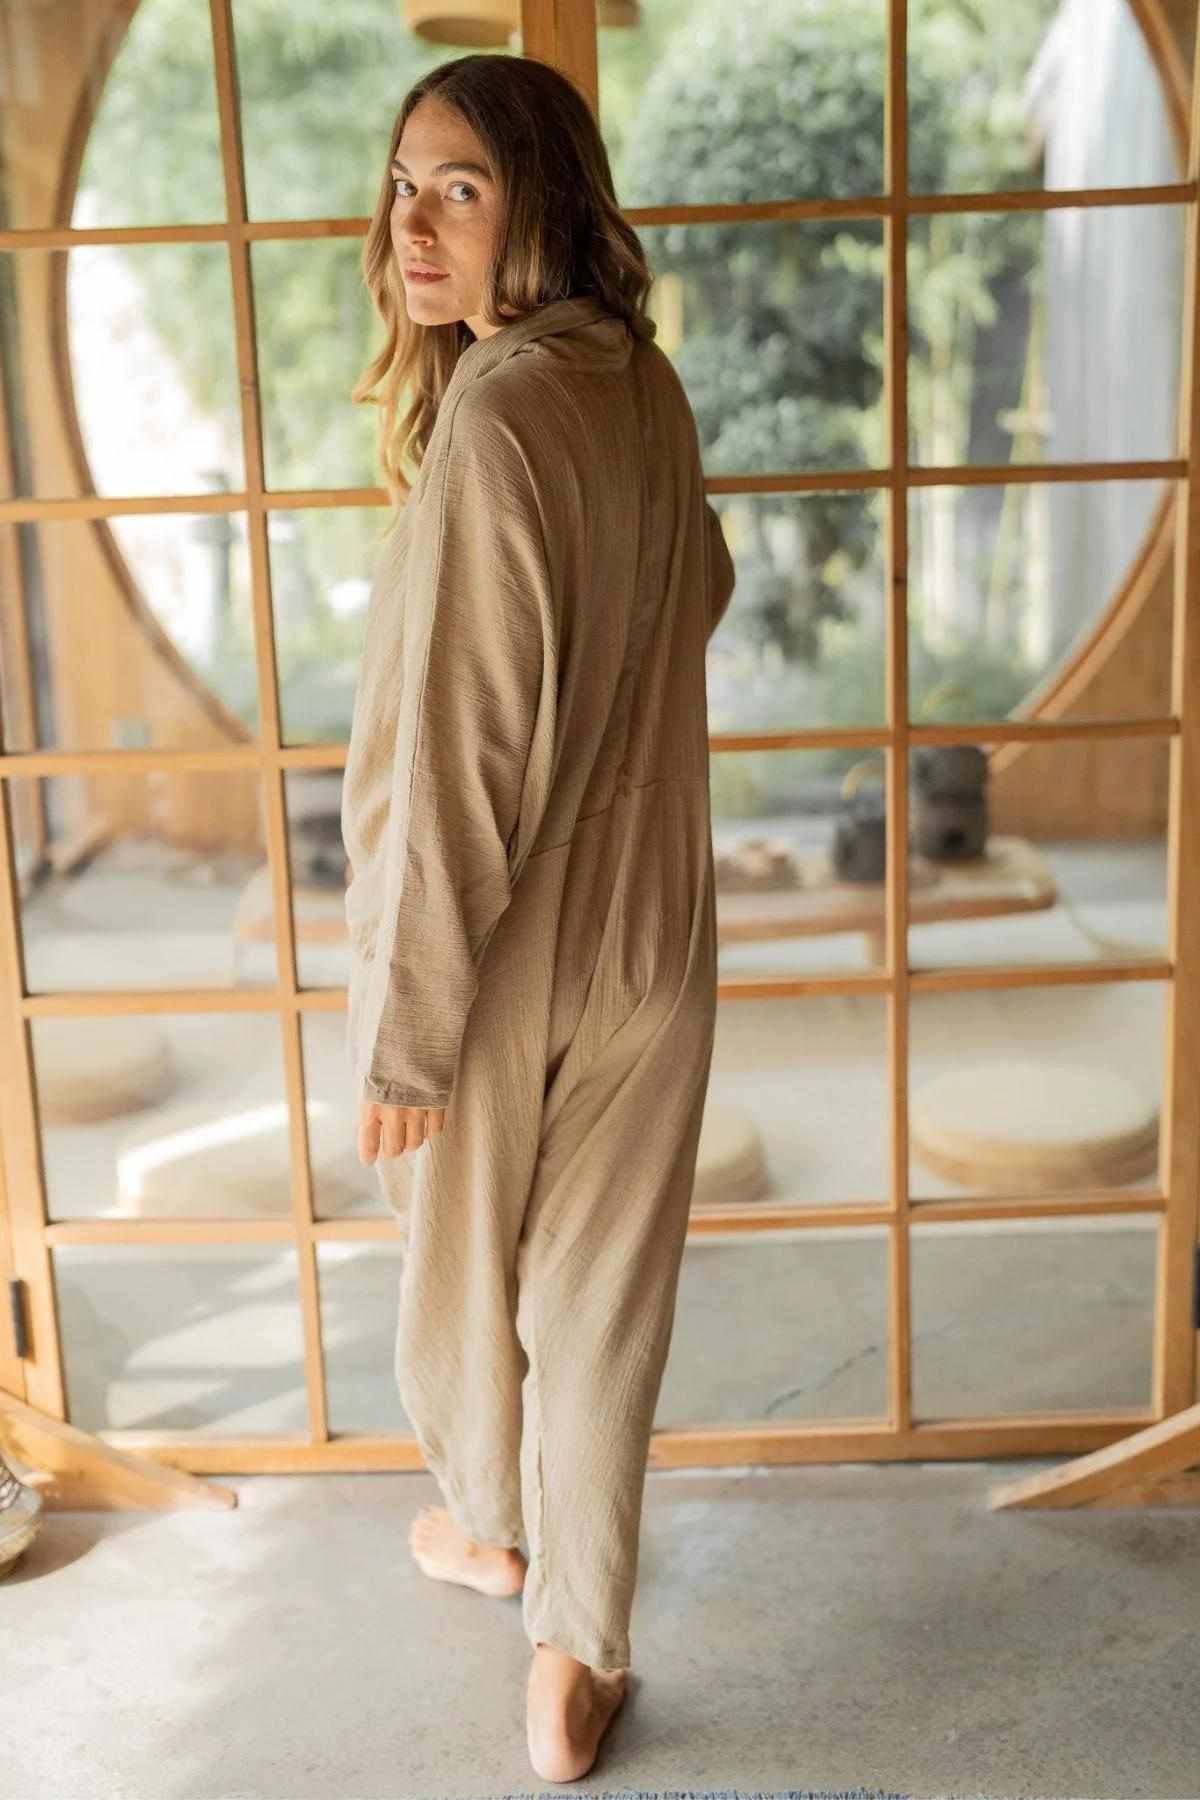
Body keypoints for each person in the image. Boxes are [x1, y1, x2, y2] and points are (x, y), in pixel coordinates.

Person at [340, 50, 735, 1784]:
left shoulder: (498, 416)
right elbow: (701, 586)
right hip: (659, 913)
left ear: (542, 206)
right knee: (600, 1300)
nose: (413, 224)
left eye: (460, 189)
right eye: (406, 185)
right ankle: (575, 1655)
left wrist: (411, 1030)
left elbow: (457, 764)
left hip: (501, 943)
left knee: (457, 1279)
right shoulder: (641, 391)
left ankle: (489, 1525)